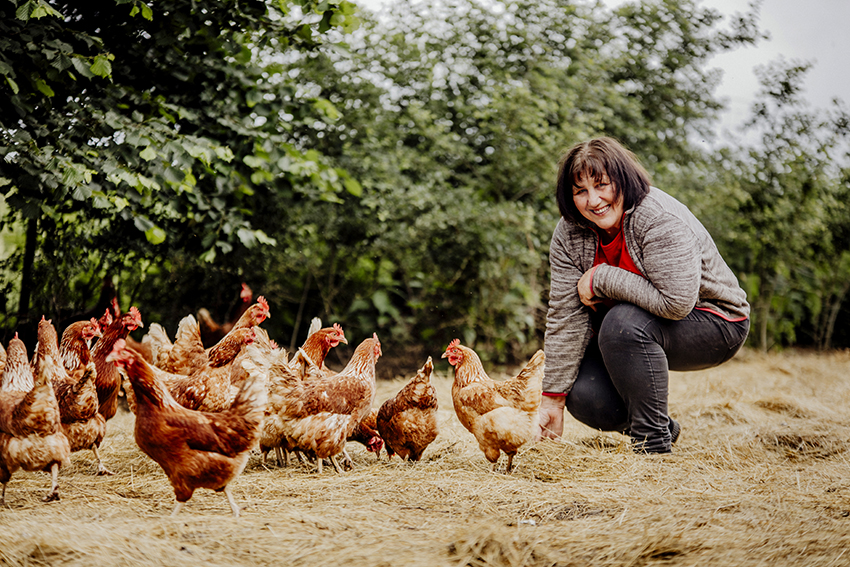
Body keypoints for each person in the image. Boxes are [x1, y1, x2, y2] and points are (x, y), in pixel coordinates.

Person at [539, 137, 749, 453]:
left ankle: (653, 446)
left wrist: (601, 277)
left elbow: (677, 303)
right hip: (633, 329)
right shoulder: (569, 234)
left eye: (602, 185)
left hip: (716, 321)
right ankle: (658, 424)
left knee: (621, 322)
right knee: (583, 394)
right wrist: (552, 398)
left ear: (622, 180)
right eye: (581, 191)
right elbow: (564, 315)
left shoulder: (658, 218)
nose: (593, 200)